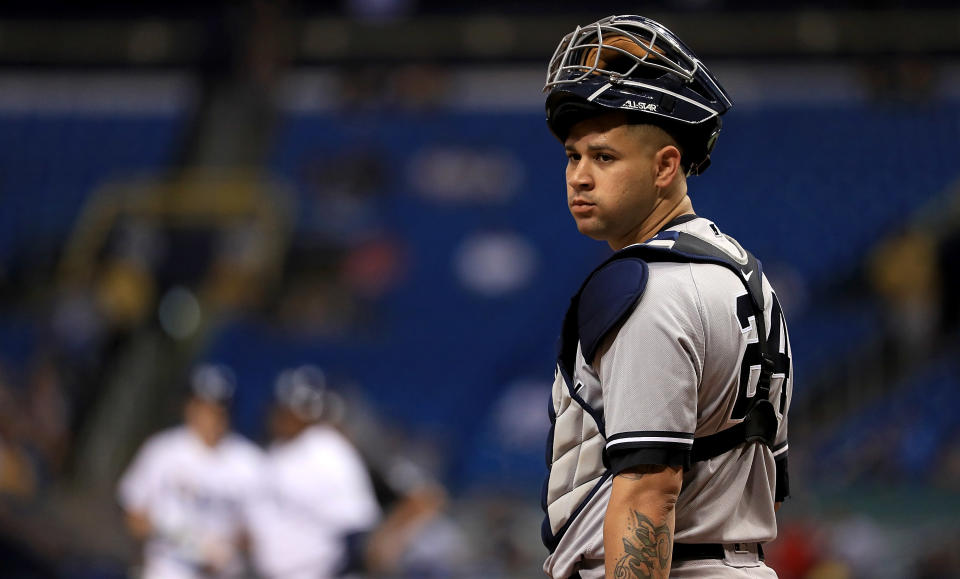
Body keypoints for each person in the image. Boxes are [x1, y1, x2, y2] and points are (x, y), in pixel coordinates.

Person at [539, 16, 793, 579]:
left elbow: (649, 492)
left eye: (604, 157)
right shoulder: (743, 273)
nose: (579, 176)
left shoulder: (645, 285)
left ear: (665, 166)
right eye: (572, 157)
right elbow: (768, 484)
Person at [116, 363, 263, 579]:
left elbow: (259, 532)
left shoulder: (250, 462)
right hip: (168, 569)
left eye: (218, 409)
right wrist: (181, 539)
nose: (210, 417)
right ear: (190, 406)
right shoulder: (163, 450)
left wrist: (228, 548)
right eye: (204, 407)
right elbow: (133, 515)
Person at [247, 365, 381, 579]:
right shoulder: (273, 454)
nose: (287, 415)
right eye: (286, 407)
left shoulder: (328, 450)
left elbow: (359, 528)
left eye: (299, 408)